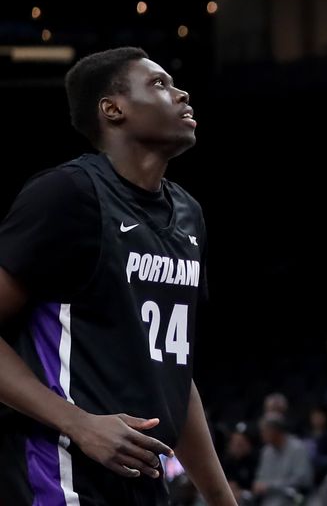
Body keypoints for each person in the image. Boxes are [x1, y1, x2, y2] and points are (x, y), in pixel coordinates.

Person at [0, 48, 238, 506]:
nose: (181, 92)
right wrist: (79, 423)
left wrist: (222, 499)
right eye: (159, 84)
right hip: (59, 472)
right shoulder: (68, 194)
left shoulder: (189, 215)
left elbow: (171, 372)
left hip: (143, 480)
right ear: (113, 109)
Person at [251, 414, 314, 504]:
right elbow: (260, 478)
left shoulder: (298, 448)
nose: (262, 434)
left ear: (275, 431)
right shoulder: (266, 451)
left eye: (264, 431)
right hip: (268, 499)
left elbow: (304, 480)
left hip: (291, 498)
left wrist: (270, 486)